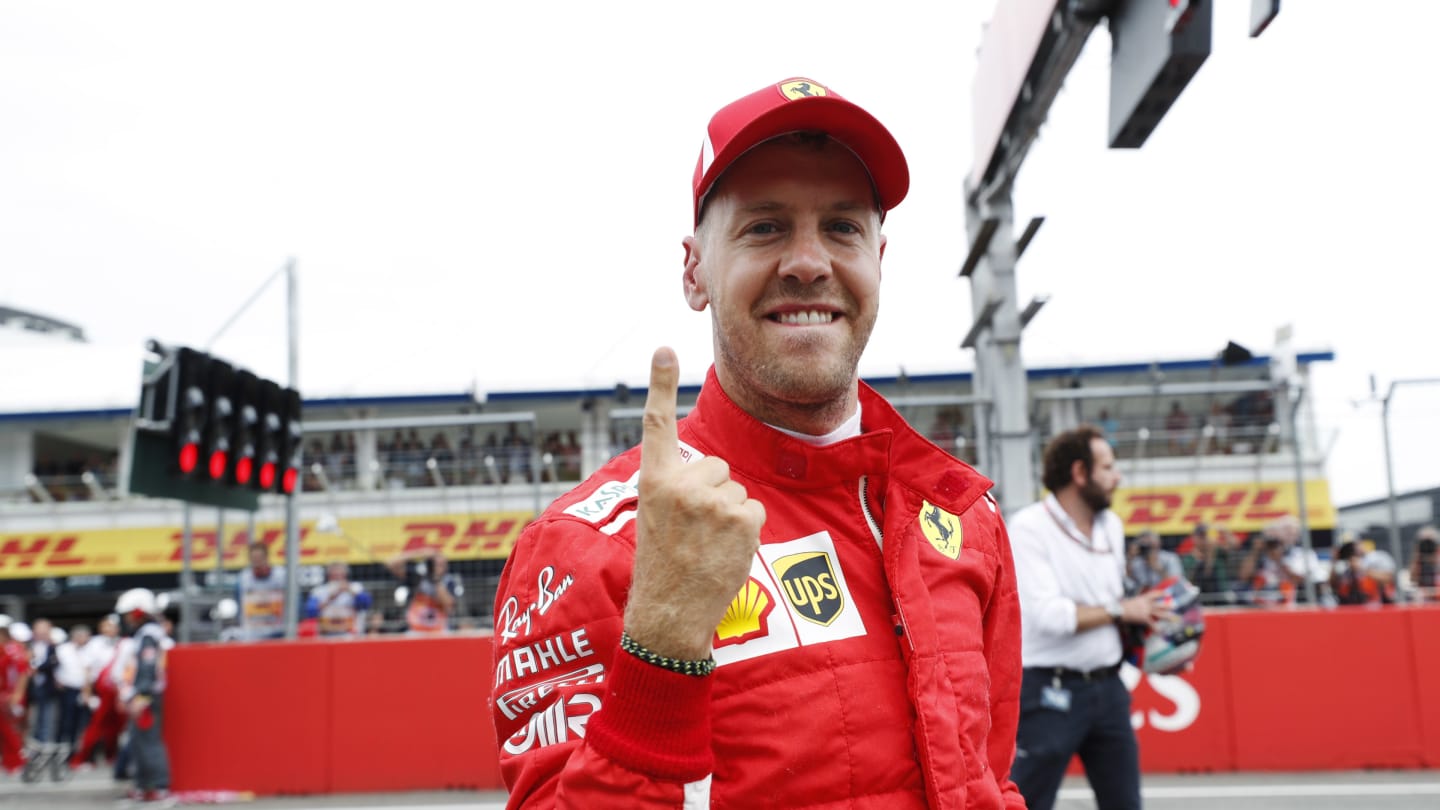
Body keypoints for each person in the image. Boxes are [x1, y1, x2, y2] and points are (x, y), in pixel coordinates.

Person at [490, 77, 1025, 809]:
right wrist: (662, 642)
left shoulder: (964, 518)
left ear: (878, 259)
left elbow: (992, 784)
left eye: (842, 228)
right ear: (694, 271)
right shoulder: (588, 545)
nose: (809, 262)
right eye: (765, 227)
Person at [1007, 425, 1171, 810]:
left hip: (1109, 688)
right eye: (1108, 467)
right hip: (1047, 690)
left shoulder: (1111, 525)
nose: (1118, 477)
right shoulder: (1029, 527)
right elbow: (1049, 616)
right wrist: (1120, 609)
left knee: (1125, 803)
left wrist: (1154, 632)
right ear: (1080, 473)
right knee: (1026, 803)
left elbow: (1112, 602)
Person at [112, 588, 171, 802]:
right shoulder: (146, 634)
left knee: (148, 742)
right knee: (138, 741)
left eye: (128, 613)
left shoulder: (148, 635)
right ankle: (143, 786)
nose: (126, 618)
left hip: (146, 696)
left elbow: (147, 668)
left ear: (138, 612)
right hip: (141, 695)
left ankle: (159, 787)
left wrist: (142, 697)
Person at [386, 549, 460, 634]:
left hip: (439, 630)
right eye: (435, 564)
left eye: (442, 564)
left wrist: (436, 580)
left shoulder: (449, 581)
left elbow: (449, 605)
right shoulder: (419, 576)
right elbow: (390, 564)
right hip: (416, 630)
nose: (439, 567)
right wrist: (419, 554)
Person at [305, 560, 373, 637]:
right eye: (334, 572)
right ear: (328, 574)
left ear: (345, 574)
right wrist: (331, 598)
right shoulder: (319, 591)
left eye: (340, 572)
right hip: (326, 634)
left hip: (351, 634)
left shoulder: (356, 587)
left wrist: (350, 591)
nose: (337, 575)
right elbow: (311, 612)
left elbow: (365, 604)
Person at [238, 541, 287, 641]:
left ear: (266, 557)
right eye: (254, 558)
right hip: (253, 632)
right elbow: (239, 603)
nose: (257, 561)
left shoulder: (281, 575)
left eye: (259, 557)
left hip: (278, 631)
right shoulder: (244, 578)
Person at [0, 617, 29, 775]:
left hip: (12, 697)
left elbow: (22, 673)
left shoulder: (14, 649)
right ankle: (9, 760)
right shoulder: (3, 648)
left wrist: (17, 695)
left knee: (11, 729)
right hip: (3, 696)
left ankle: (17, 761)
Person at [1409, 525, 1439, 601]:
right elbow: (1412, 579)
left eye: (1430, 542)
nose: (1427, 545)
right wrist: (1417, 556)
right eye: (1424, 542)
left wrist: (1435, 558)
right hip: (1424, 596)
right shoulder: (1418, 558)